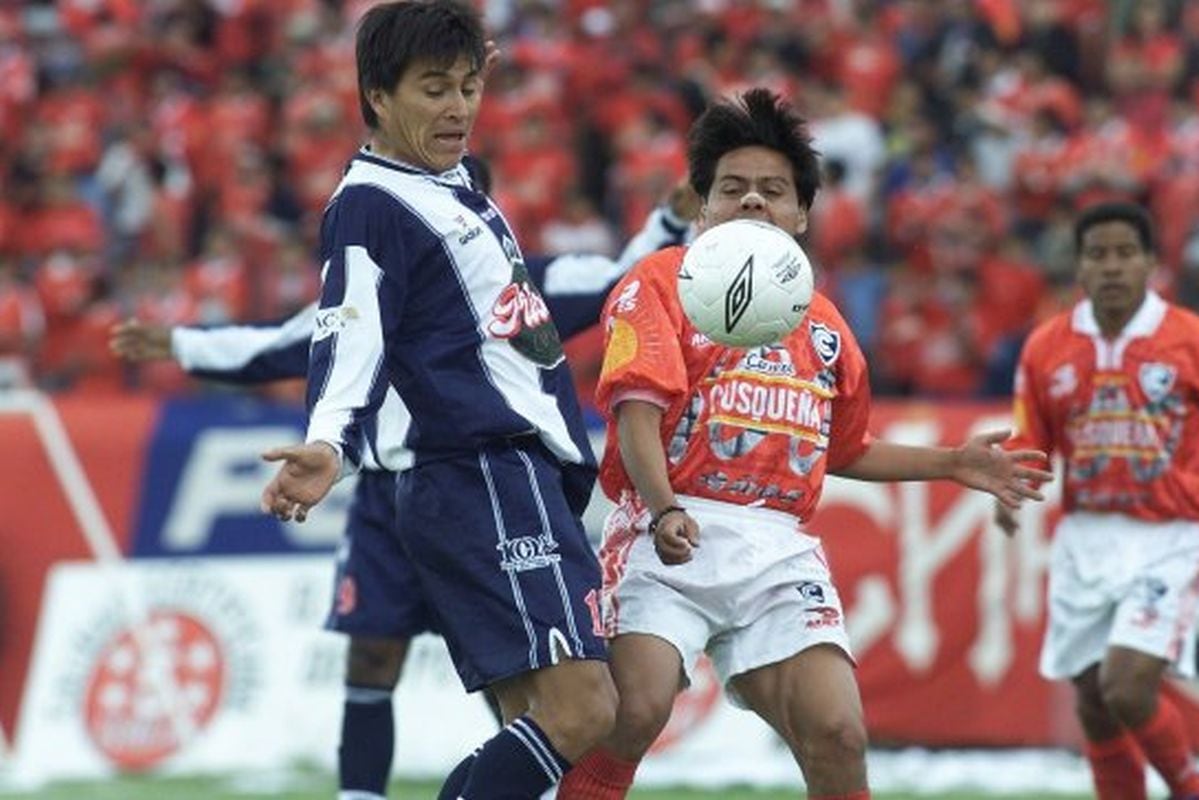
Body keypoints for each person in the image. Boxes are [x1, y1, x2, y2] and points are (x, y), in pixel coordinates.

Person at [109, 191, 693, 800]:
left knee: (531, 690)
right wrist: (184, 346)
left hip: (472, 481)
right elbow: (283, 343)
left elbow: (621, 279)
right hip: (390, 494)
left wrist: (668, 221)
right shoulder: (372, 278)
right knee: (376, 656)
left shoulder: (522, 282)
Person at [556, 87, 1053, 800]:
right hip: (667, 532)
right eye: (732, 188)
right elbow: (636, 415)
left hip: (775, 548)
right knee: (631, 714)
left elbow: (843, 449)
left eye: (771, 190)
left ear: (800, 213)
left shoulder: (823, 324)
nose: (752, 201)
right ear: (702, 206)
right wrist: (665, 511)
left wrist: (951, 462)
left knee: (838, 735)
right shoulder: (658, 282)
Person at [258, 3, 617, 798]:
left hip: (501, 476)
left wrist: (451, 44)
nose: (458, 107)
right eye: (432, 90)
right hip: (482, 473)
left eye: (467, 86)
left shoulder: (438, 177)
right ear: (376, 97)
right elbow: (347, 330)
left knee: (528, 715)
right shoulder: (371, 206)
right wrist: (329, 443)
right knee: (585, 707)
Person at [996, 201, 1199, 800]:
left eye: (1125, 253)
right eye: (1098, 255)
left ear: (1151, 262)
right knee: (1094, 701)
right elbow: (1030, 436)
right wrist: (1011, 488)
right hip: (1085, 534)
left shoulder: (1188, 339)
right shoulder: (1047, 347)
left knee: (1128, 686)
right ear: (1079, 266)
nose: (1112, 267)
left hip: (1170, 534)